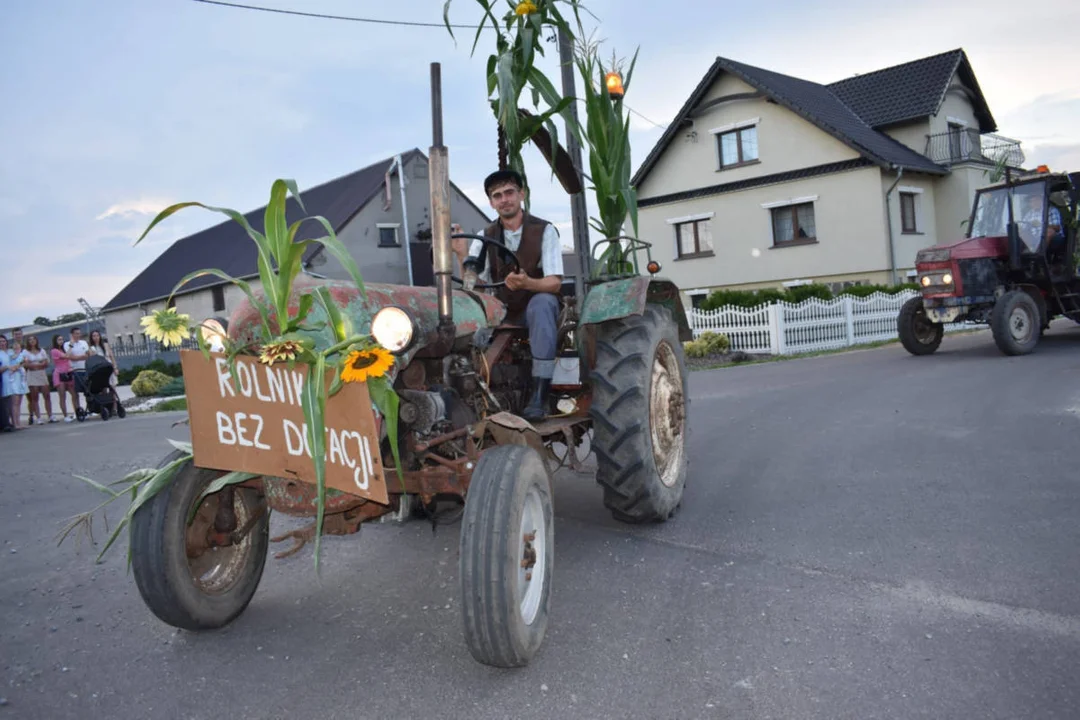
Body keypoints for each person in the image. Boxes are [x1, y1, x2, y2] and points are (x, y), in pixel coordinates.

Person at [459, 169, 564, 421]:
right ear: (491, 202)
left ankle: (540, 393)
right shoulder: (485, 236)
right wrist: (459, 254)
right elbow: (474, 281)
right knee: (465, 303)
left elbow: (554, 283)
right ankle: (471, 384)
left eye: (509, 192)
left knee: (542, 303)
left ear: (521, 195)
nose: (504, 199)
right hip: (502, 307)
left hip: (536, 308)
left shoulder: (544, 230)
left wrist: (528, 282)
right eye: (497, 195)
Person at [23, 336, 55, 424]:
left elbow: (46, 362)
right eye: (30, 340)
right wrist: (38, 364)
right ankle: (39, 417)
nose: (32, 341)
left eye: (34, 339)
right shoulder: (25, 352)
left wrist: (35, 365)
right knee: (34, 397)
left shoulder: (42, 350)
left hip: (42, 374)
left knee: (47, 395)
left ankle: (50, 415)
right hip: (32, 375)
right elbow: (26, 364)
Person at [88, 330, 120, 417]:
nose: (96, 337)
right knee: (103, 389)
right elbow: (93, 359)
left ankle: (115, 408)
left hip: (109, 367)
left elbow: (112, 357)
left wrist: (115, 368)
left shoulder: (105, 345)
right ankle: (106, 408)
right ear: (91, 337)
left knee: (113, 388)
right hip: (100, 369)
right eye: (94, 336)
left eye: (97, 335)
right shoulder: (91, 348)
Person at [51, 334, 77, 422]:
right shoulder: (54, 351)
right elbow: (66, 356)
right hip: (59, 374)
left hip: (68, 372)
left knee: (74, 393)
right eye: (59, 340)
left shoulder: (63, 349)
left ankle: (77, 412)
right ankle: (65, 415)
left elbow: (69, 356)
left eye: (62, 339)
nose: (61, 341)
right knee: (62, 395)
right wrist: (71, 345)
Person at [64, 327, 89, 416]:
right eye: (76, 333)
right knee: (75, 393)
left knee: (87, 391)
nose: (78, 335)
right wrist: (79, 357)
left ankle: (88, 409)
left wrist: (77, 357)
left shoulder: (84, 343)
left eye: (79, 333)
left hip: (84, 369)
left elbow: (87, 355)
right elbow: (69, 356)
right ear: (72, 334)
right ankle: (77, 411)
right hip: (75, 370)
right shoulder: (67, 344)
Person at [0, 335, 21, 431]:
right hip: (4, 379)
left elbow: (19, 360)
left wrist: (16, 366)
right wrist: (7, 367)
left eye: (4, 341)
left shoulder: (10, 352)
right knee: (6, 402)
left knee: (14, 401)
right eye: (0, 341)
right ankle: (7, 422)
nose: (2, 343)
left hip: (14, 377)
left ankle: (16, 422)